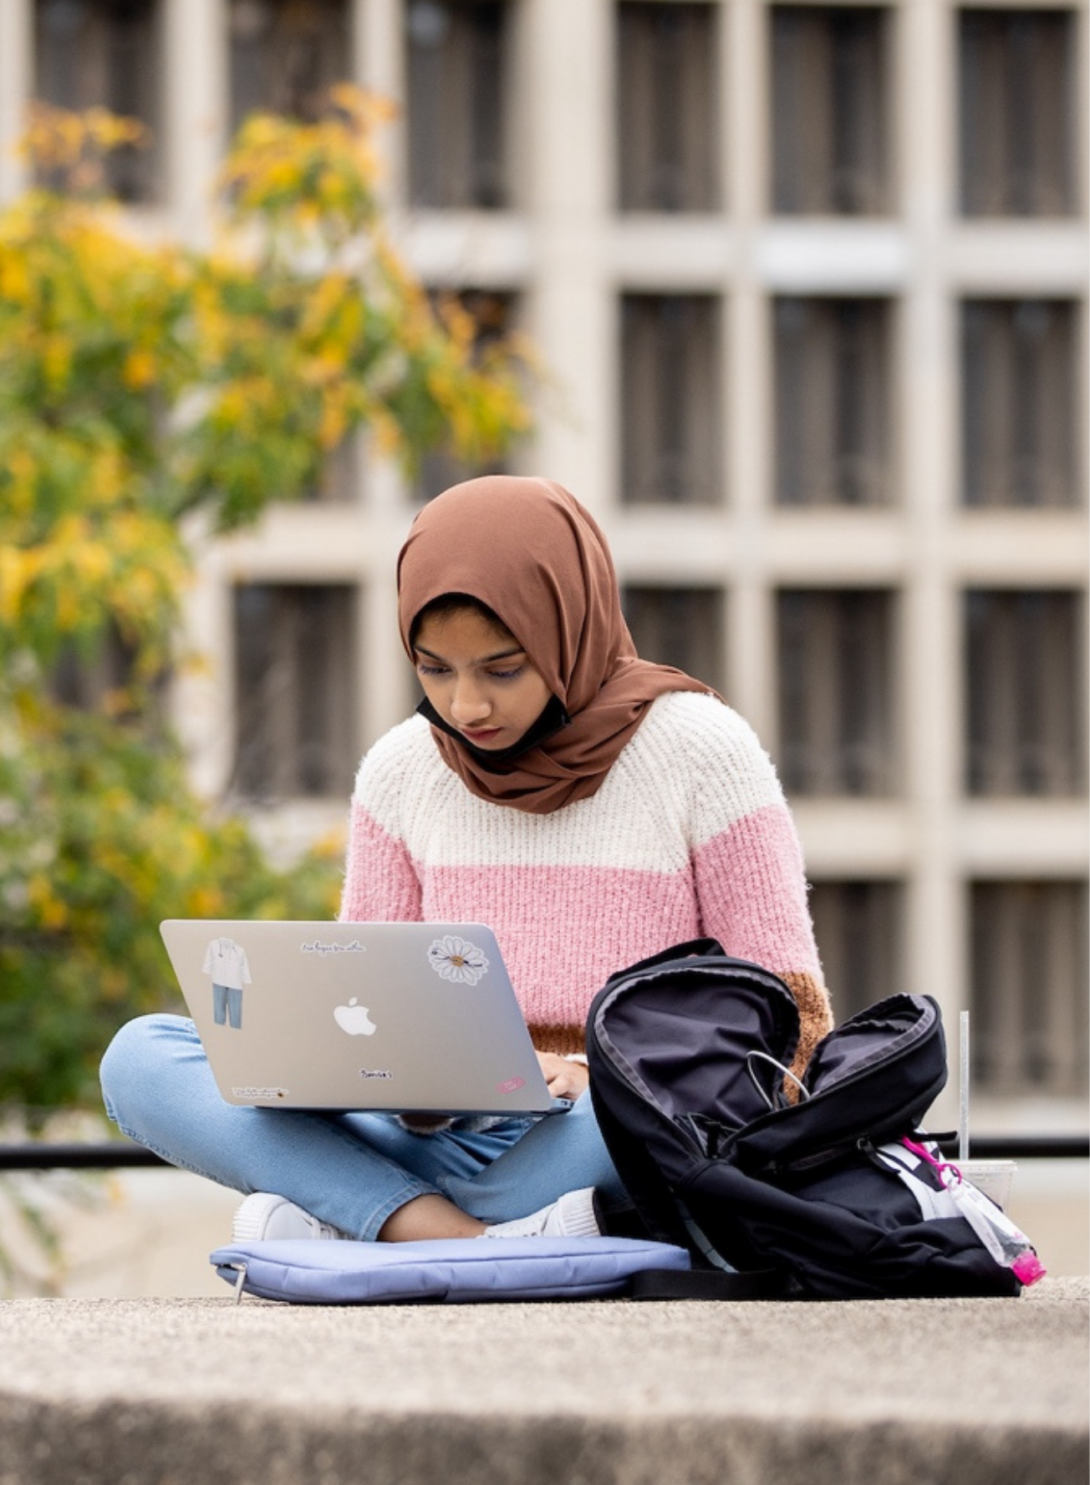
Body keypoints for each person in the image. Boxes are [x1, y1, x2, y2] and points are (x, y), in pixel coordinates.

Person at [100, 475, 833, 1244]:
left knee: (651, 1133)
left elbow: (793, 1031)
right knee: (139, 1058)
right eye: (435, 669)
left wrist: (602, 1077)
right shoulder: (401, 769)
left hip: (601, 1128)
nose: (466, 707)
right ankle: (463, 1234)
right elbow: (358, 1005)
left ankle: (360, 1208)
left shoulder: (702, 751)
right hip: (424, 1131)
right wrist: (395, 1087)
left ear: (568, 627)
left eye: (503, 668)